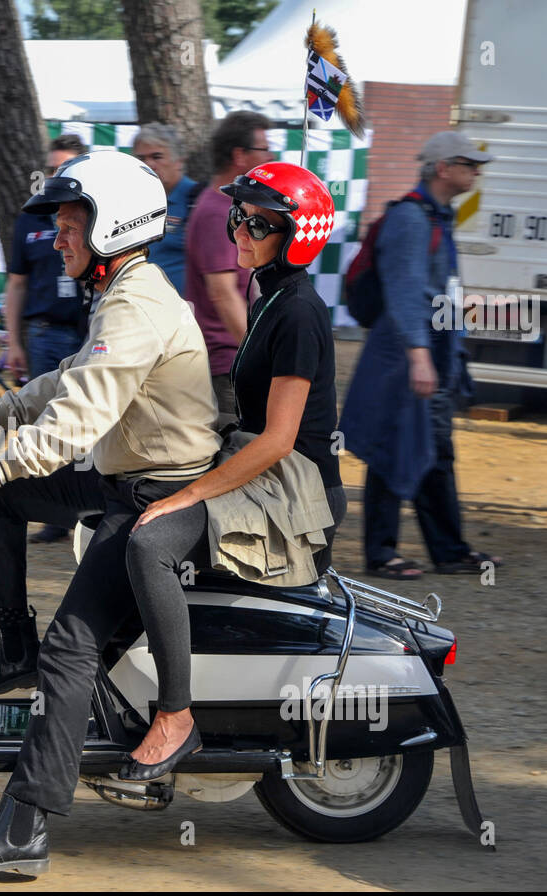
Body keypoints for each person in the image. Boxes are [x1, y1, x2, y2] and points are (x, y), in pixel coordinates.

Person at [0, 150, 221, 873]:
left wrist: (1, 456)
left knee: (73, 650)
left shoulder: (138, 303)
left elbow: (79, 419)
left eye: (69, 225)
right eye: (58, 226)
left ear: (114, 226)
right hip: (123, 480)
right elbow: (70, 375)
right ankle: (11, 643)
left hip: (158, 494)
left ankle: (22, 831)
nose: (57, 239)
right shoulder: (121, 293)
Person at [122, 162, 348, 778]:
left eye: (257, 222)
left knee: (150, 544)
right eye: (236, 216)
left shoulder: (299, 312)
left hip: (294, 499)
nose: (239, 230)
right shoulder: (267, 292)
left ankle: (175, 719)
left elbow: (277, 440)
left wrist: (186, 497)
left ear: (297, 235)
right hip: (265, 481)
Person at [338, 131, 503, 579]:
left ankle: (449, 550)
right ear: (442, 168)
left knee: (433, 450)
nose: (476, 171)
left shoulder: (437, 215)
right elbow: (406, 291)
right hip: (406, 350)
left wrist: (451, 352)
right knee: (395, 446)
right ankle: (382, 553)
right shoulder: (412, 219)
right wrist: (419, 355)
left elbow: (439, 293)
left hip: (427, 347)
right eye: (468, 164)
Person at [5, 133, 90, 545]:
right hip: (46, 335)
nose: (59, 175)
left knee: (96, 421)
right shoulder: (31, 217)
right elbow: (16, 284)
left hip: (91, 333)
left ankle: (95, 510)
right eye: (54, 168)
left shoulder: (97, 216)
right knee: (49, 421)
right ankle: (57, 516)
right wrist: (14, 342)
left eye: (67, 168)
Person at [186, 111, 275, 422]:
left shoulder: (231, 206)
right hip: (227, 364)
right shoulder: (215, 212)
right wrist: (256, 355)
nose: (270, 156)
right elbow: (224, 295)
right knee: (236, 458)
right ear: (240, 156)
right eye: (264, 149)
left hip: (232, 359)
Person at [132, 123, 198, 296]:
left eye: (157, 156)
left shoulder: (196, 201)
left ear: (178, 161)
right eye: (141, 158)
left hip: (186, 314)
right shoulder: (133, 203)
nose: (148, 164)